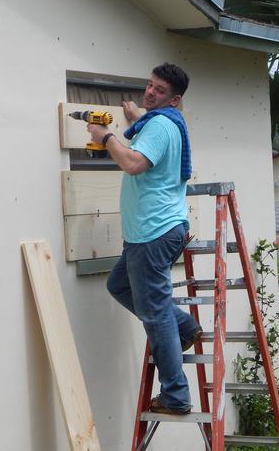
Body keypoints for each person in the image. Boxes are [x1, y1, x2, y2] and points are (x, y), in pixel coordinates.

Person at [86, 62, 202, 415]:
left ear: (175, 99)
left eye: (160, 91)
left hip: (153, 233)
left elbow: (134, 163)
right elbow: (146, 135)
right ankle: (184, 327)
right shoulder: (160, 121)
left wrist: (105, 137)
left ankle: (176, 396)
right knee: (119, 285)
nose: (151, 92)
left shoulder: (161, 125)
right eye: (150, 86)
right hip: (149, 233)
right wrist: (136, 115)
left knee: (155, 316)